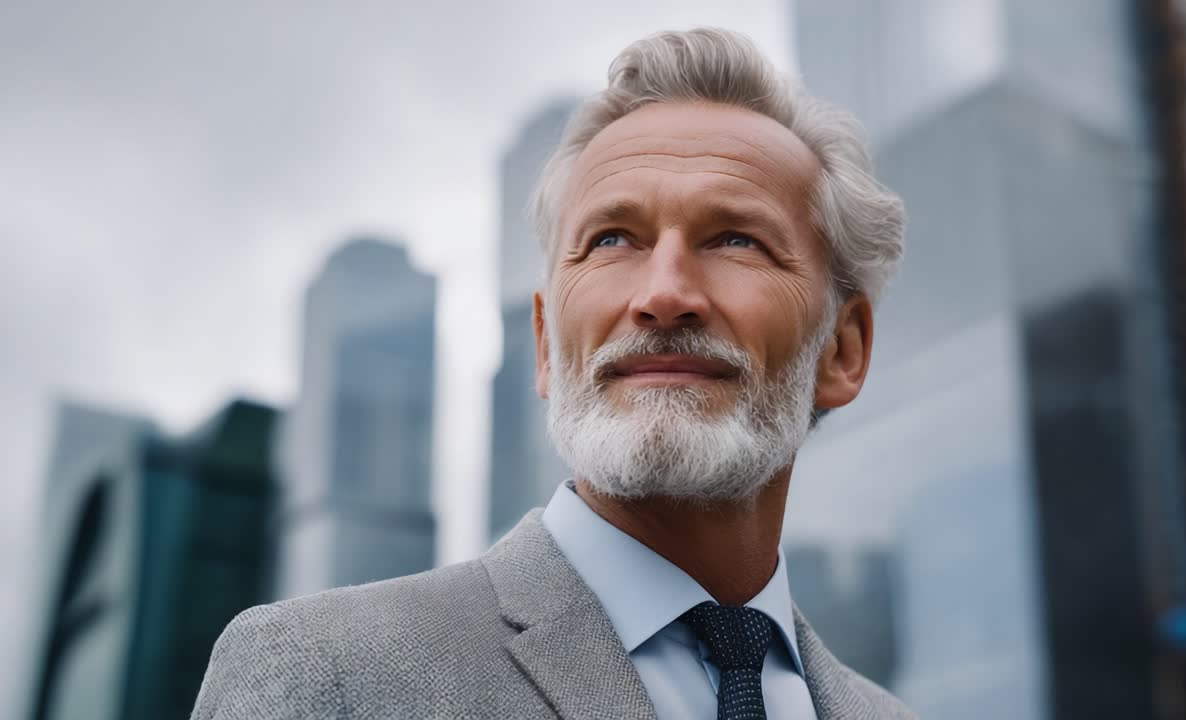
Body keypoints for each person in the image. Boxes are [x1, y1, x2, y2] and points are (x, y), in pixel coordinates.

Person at [192, 27, 912, 720]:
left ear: (842, 350)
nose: (662, 293)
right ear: (544, 343)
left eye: (735, 239)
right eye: (610, 239)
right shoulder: (324, 675)